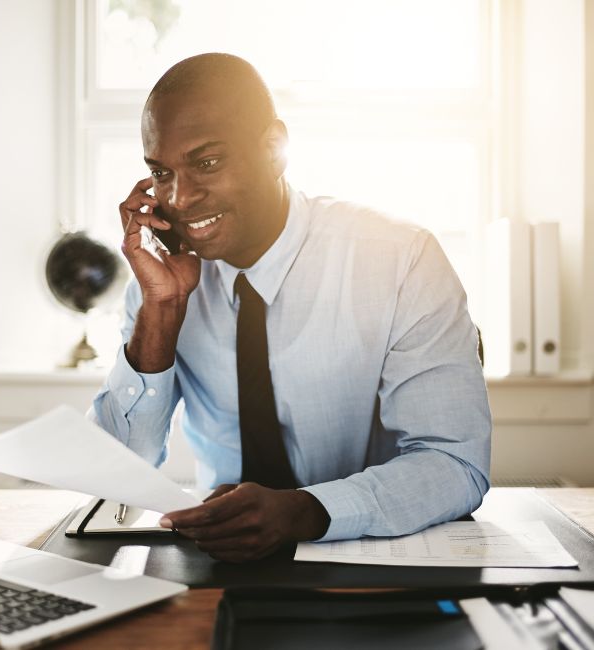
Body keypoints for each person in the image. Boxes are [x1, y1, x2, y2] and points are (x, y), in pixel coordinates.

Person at [91, 53, 491, 563]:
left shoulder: (399, 259)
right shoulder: (160, 284)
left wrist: (305, 511)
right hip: (222, 564)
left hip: (380, 560)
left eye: (207, 162)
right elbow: (115, 473)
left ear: (274, 150)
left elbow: (455, 463)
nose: (181, 197)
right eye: (160, 172)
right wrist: (162, 312)